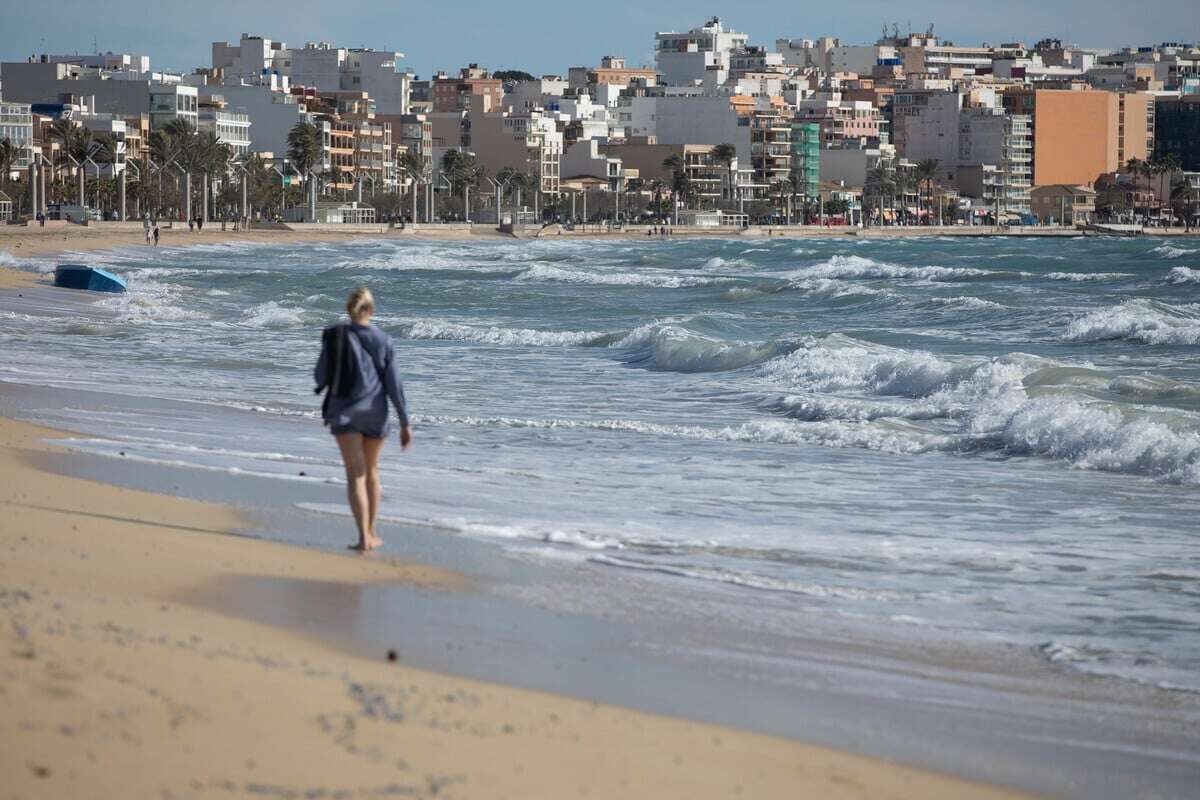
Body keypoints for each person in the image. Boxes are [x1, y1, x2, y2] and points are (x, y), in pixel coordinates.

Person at [314, 288, 411, 551]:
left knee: (355, 474)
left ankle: (362, 538)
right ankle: (372, 532)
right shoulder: (383, 339)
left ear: (349, 310)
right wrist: (405, 421)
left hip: (344, 413)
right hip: (376, 413)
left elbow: (320, 377)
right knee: (372, 471)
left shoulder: (334, 336)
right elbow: (394, 385)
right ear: (371, 310)